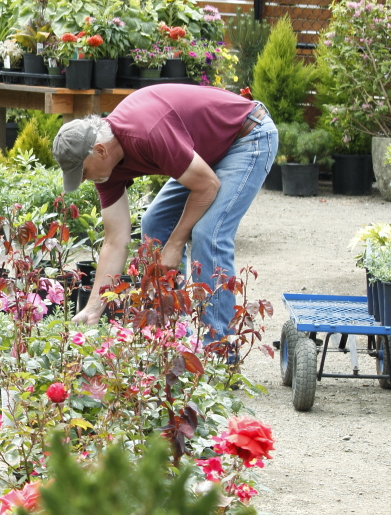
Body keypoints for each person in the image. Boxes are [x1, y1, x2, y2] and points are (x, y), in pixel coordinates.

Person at [52, 84, 278, 339]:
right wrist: (94, 309)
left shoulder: (146, 133)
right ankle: (173, 336)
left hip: (247, 135)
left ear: (101, 151)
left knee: (208, 234)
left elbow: (206, 186)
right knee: (155, 223)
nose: (83, 180)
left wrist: (176, 242)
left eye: (82, 172)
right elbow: (115, 241)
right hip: (206, 152)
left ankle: (219, 354)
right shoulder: (106, 169)